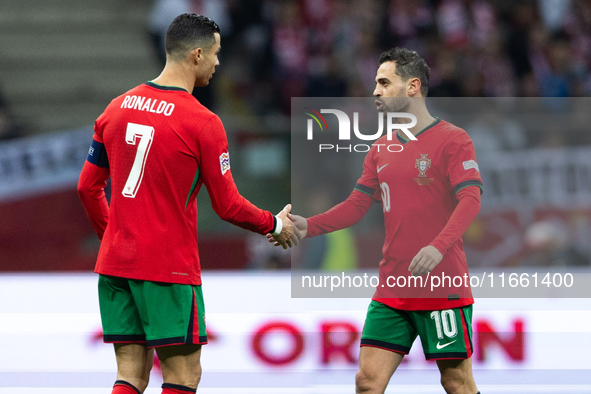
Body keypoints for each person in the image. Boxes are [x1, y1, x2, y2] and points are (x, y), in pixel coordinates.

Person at [78, 14, 293, 394]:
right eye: (216, 53)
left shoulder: (116, 108)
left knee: (130, 375)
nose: (218, 62)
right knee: (183, 377)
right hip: (167, 267)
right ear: (196, 55)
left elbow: (87, 188)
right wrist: (273, 225)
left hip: (115, 264)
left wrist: (113, 236)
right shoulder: (202, 122)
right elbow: (227, 206)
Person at [271, 48, 482, 394]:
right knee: (368, 382)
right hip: (392, 288)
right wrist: (309, 226)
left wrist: (437, 247)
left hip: (440, 286)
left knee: (456, 381)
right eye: (375, 83)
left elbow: (470, 200)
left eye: (384, 82)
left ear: (412, 87)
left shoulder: (453, 140)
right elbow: (356, 205)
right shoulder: (380, 148)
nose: (376, 91)